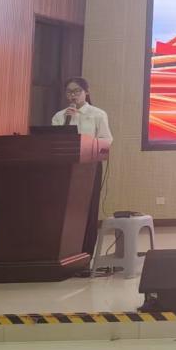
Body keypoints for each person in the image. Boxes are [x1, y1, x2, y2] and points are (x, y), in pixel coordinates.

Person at [51, 77, 112, 262]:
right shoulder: (60, 116)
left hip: (89, 168)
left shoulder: (97, 114)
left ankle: (87, 252)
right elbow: (53, 141)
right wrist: (66, 122)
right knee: (66, 210)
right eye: (69, 92)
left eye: (77, 91)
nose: (73, 95)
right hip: (65, 168)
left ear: (86, 92)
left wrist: (89, 147)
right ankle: (65, 253)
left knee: (88, 209)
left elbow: (106, 140)